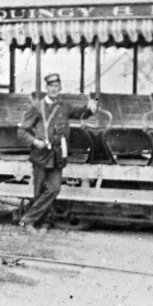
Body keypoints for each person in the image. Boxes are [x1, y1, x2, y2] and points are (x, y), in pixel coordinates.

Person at [14, 73, 98, 234]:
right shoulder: (37, 106)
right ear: (47, 88)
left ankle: (28, 220)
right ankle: (42, 223)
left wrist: (91, 108)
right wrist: (35, 141)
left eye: (57, 86)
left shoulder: (64, 106)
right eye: (51, 86)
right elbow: (22, 131)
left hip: (58, 154)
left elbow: (81, 113)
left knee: (54, 189)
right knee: (39, 191)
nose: (54, 89)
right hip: (40, 153)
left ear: (60, 88)